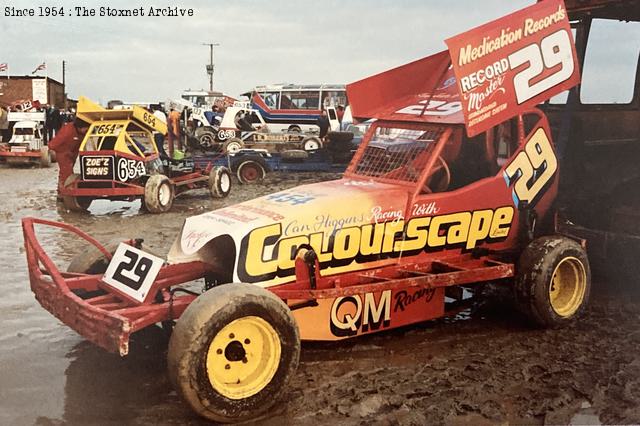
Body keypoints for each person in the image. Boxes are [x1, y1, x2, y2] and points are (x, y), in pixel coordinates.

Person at [49, 117, 90, 197]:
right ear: (80, 127)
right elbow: (53, 144)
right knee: (67, 173)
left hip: (72, 153)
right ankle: (66, 193)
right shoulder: (67, 131)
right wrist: (59, 152)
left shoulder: (82, 132)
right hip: (64, 154)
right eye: (86, 129)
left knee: (64, 173)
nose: (87, 131)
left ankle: (61, 191)